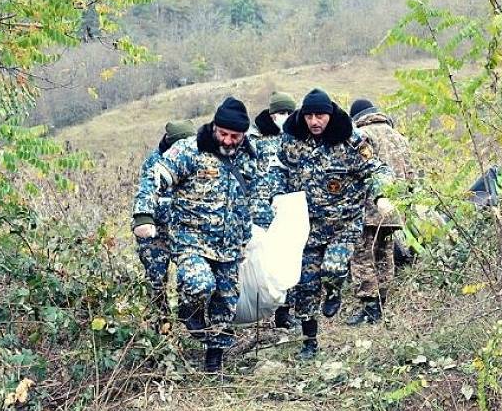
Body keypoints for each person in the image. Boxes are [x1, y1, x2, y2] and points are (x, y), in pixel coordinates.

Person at [133, 97, 257, 372]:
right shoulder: (189, 150)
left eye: (234, 136)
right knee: (200, 284)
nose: (227, 140)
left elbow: (252, 198)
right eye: (222, 134)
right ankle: (188, 311)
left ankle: (215, 360)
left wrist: (252, 233)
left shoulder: (250, 156)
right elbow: (154, 178)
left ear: (243, 134)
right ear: (214, 127)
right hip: (191, 240)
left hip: (230, 245)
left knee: (226, 303)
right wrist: (143, 216)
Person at [272, 89, 393, 359]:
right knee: (306, 285)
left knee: (334, 268)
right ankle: (309, 342)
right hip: (307, 227)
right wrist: (274, 196)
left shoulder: (350, 140)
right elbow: (276, 170)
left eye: (320, 116)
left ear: (330, 114)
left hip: (343, 223)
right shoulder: (291, 141)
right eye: (309, 116)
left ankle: (335, 290)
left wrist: (382, 194)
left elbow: (377, 170)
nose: (315, 122)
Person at [347, 99, 416, 325]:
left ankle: (369, 307)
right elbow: (413, 175)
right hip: (394, 208)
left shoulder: (362, 136)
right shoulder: (399, 137)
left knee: (362, 255)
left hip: (368, 207)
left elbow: (358, 172)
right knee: (385, 253)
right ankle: (382, 301)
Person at [132, 120, 195, 333]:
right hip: (156, 232)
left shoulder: (197, 158)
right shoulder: (155, 162)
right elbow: (146, 192)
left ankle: (192, 317)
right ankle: (163, 327)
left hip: (185, 230)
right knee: (156, 280)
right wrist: (145, 218)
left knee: (191, 274)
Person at [249, 91, 299, 329]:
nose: (285, 117)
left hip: (285, 208)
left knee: (287, 259)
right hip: (257, 210)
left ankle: (284, 313)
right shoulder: (252, 139)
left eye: (289, 112)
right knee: (260, 263)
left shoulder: (295, 138)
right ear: (271, 114)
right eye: (281, 112)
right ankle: (256, 309)